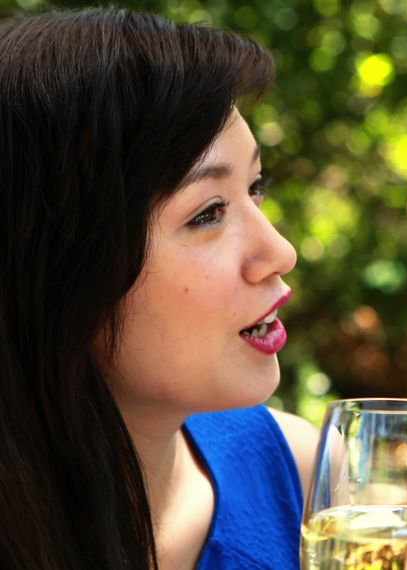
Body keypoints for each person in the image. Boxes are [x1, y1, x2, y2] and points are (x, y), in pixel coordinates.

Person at [0, 8, 319, 569]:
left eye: (256, 185)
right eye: (209, 212)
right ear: (60, 270)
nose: (279, 252)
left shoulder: (301, 474)